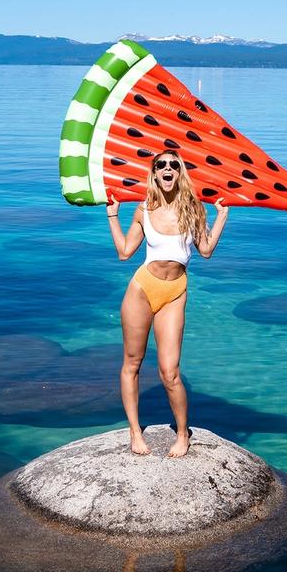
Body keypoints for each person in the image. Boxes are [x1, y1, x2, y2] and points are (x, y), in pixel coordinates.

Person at [106, 151, 229, 457]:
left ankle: (183, 433)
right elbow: (124, 252)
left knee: (170, 371)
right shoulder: (144, 209)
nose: (168, 168)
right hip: (141, 289)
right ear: (155, 173)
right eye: (161, 165)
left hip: (175, 292)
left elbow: (206, 251)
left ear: (180, 172)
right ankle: (135, 432)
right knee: (132, 363)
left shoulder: (193, 209)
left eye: (174, 165)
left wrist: (222, 217)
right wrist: (112, 216)